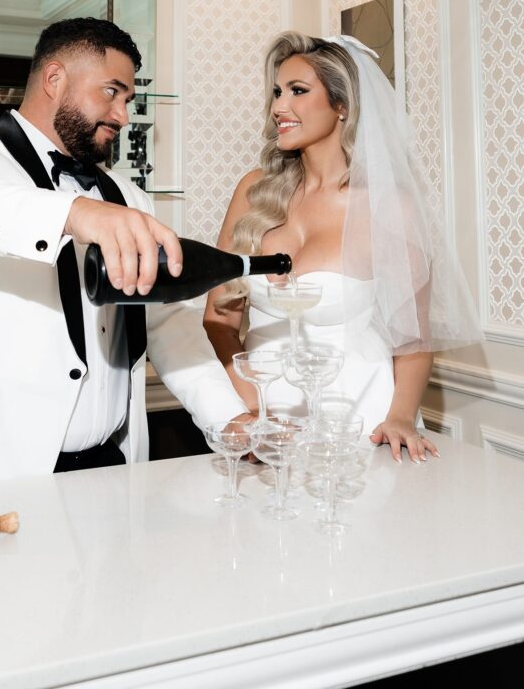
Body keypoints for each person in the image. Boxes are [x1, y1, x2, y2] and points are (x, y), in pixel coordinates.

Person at [0, 18, 246, 499]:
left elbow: (169, 329)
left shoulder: (132, 199)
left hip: (112, 475)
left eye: (129, 100)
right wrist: (69, 213)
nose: (122, 115)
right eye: (111, 92)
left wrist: (231, 420)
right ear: (54, 79)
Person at [203, 31, 482, 464]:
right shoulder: (252, 192)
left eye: (297, 91)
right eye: (277, 92)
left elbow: (415, 339)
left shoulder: (386, 206)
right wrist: (251, 410)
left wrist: (402, 417)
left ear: (342, 107)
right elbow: (218, 320)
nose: (279, 106)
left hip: (357, 420)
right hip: (263, 429)